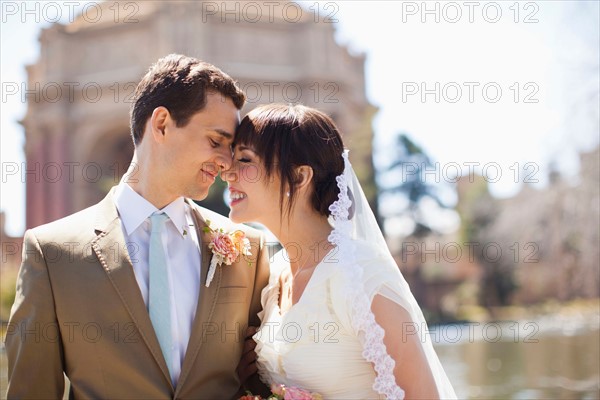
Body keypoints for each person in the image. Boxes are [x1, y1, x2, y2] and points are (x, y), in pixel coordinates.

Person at [5, 54, 270, 399]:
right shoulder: (52, 252)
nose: (226, 161)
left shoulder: (248, 249)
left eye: (231, 148)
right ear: (161, 124)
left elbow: (259, 383)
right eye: (216, 141)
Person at [226, 104, 457, 399]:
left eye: (244, 159)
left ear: (299, 177)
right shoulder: (274, 280)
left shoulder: (361, 273)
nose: (228, 173)